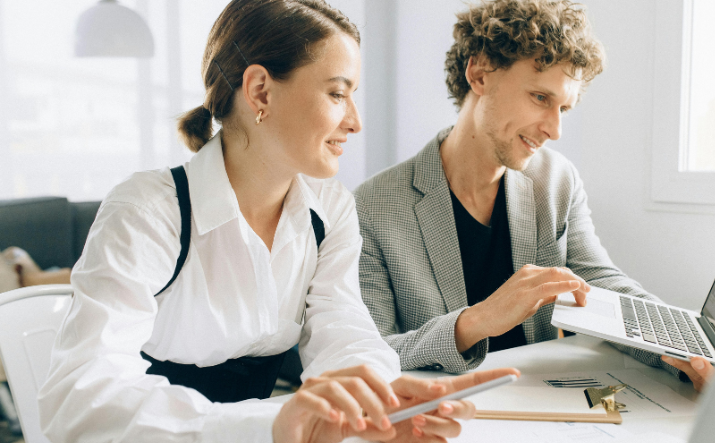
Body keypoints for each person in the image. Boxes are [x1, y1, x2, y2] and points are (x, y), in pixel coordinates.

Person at [38, 1, 517, 441]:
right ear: (260, 90)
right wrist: (270, 422)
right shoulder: (148, 211)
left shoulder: (329, 211)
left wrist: (385, 400)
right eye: (336, 94)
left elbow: (344, 334)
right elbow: (77, 402)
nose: (355, 121)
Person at [354, 0, 714, 391]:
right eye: (541, 98)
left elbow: (601, 282)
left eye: (564, 108)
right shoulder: (373, 207)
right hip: (440, 413)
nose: (555, 129)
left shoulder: (556, 180)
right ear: (478, 74)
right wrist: (476, 321)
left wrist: (689, 350)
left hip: (539, 405)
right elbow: (370, 354)